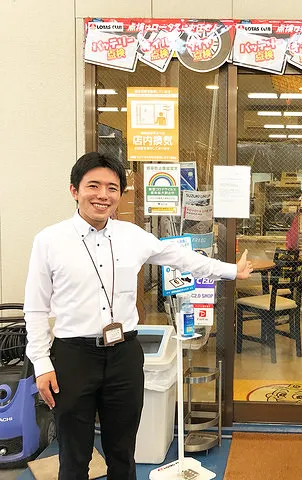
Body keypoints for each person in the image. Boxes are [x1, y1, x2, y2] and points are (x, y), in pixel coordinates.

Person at [23, 152, 253, 480]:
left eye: (112, 188)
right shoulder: (49, 241)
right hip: (73, 356)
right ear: (74, 190)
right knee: (74, 456)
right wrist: (42, 363)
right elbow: (35, 307)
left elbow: (181, 257)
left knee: (123, 451)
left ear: (120, 194)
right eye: (93, 186)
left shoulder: (132, 236)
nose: (103, 195)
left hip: (124, 355)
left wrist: (231, 270)